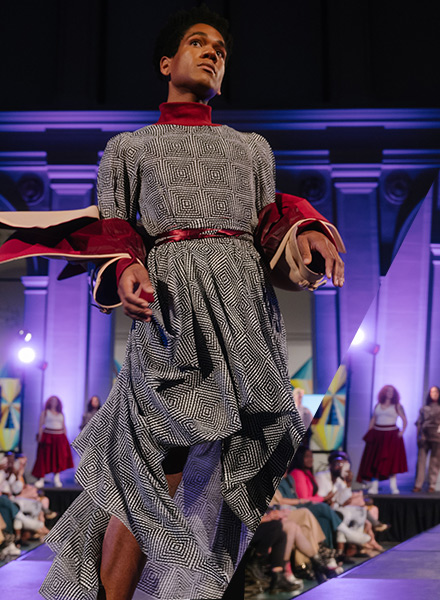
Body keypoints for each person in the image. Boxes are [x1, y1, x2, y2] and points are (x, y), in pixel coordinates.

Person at [5, 8, 347, 600]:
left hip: (244, 311)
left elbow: (268, 224)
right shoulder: (129, 149)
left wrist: (306, 232)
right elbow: (117, 228)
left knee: (237, 457)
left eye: (220, 48)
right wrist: (130, 266)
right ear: (167, 63)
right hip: (172, 305)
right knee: (153, 463)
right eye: (197, 43)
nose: (212, 53)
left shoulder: (252, 149)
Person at [358, 385, 408, 494]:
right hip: (377, 435)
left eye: (392, 391)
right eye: (388, 391)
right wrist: (369, 433)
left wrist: (402, 432)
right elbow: (373, 419)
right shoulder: (378, 405)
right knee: (375, 460)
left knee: (391, 461)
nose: (390, 393)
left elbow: (405, 420)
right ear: (383, 392)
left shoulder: (397, 406)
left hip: (391, 436)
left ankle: (393, 486)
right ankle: (374, 486)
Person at [32, 396, 73, 488]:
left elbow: (64, 426)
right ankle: (41, 479)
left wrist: (65, 439)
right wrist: (40, 437)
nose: (54, 403)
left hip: (59, 437)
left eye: (55, 401)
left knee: (58, 458)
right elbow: (40, 426)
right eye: (52, 401)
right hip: (48, 436)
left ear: (58, 403)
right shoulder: (45, 413)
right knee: (44, 458)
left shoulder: (61, 414)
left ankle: (56, 478)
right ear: (49, 402)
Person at [412, 386, 440, 493]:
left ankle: (432, 484)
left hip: (438, 436)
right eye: (432, 392)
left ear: (439, 393)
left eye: (436, 391)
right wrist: (418, 436)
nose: (434, 393)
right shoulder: (424, 408)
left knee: (435, 462)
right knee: (421, 462)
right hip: (424, 436)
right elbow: (419, 423)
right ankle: (418, 484)